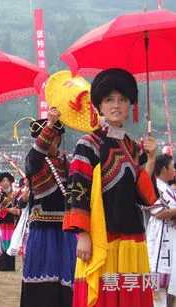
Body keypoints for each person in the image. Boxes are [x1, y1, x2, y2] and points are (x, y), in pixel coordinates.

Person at [64, 68, 158, 307]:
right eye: (109, 100)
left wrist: (151, 159)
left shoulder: (132, 147)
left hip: (132, 236)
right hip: (102, 237)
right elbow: (77, 190)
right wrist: (83, 235)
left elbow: (146, 197)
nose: (116, 105)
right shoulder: (89, 144)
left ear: (130, 106)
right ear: (99, 106)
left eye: (123, 99)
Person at [21, 108, 77, 307]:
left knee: (67, 274)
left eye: (55, 139)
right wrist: (50, 124)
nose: (51, 143)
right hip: (43, 229)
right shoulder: (34, 161)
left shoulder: (66, 164)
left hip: (66, 229)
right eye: (47, 138)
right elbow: (37, 152)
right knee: (43, 273)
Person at [146, 154, 176, 307]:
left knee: (170, 292)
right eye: (172, 167)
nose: (174, 171)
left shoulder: (169, 189)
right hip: (159, 244)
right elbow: (159, 213)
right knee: (158, 294)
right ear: (164, 169)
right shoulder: (155, 187)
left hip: (171, 244)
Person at [0, 171, 20, 271]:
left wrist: (17, 211)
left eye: (7, 180)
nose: (5, 182)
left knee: (10, 242)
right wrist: (9, 210)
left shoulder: (13, 195)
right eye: (3, 180)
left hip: (11, 223)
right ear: (0, 183)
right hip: (1, 222)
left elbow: (18, 206)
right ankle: (2, 265)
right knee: (2, 242)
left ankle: (10, 265)